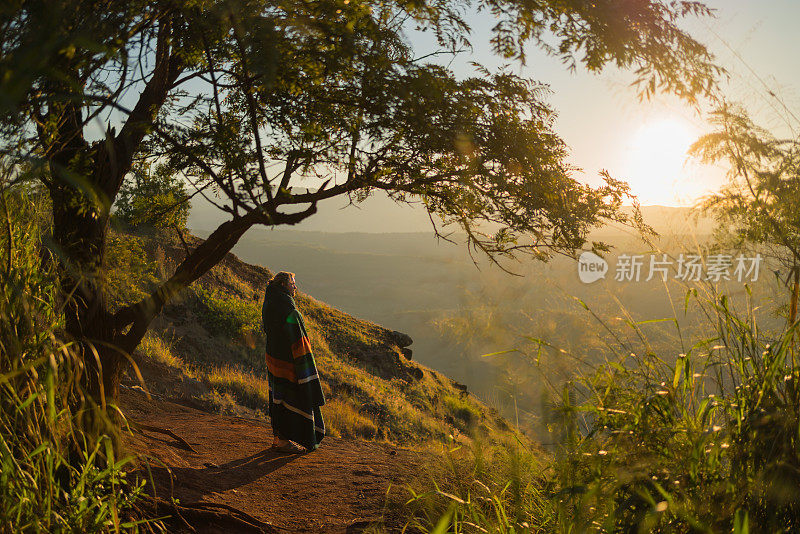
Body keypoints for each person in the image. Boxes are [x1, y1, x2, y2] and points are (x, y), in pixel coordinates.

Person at [261, 271, 326, 453]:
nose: (295, 287)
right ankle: (283, 441)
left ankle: (278, 438)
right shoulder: (287, 307)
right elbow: (297, 339)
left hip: (273, 357)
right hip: (288, 361)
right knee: (294, 397)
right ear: (283, 285)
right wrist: (306, 364)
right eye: (292, 283)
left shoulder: (270, 302)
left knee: (278, 397)